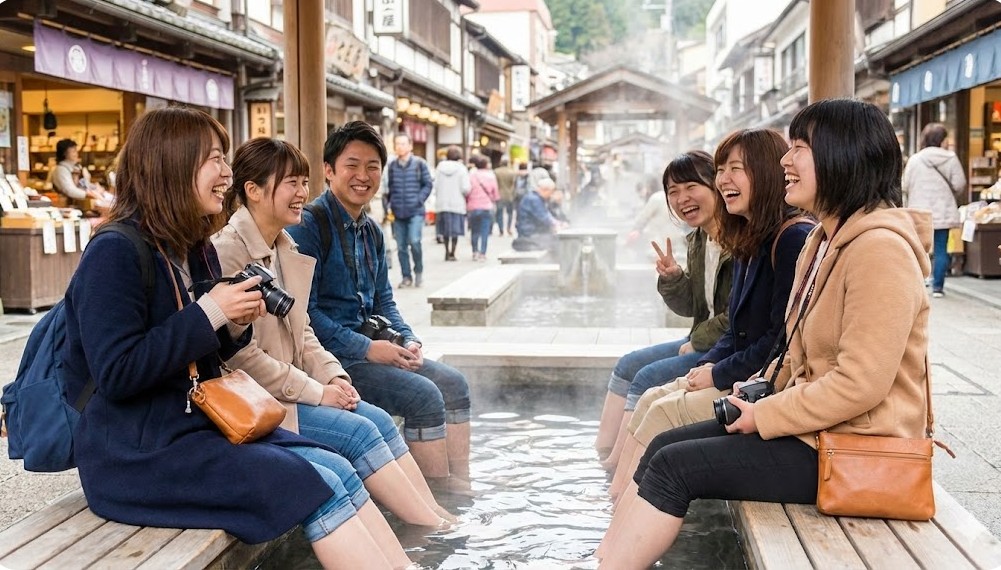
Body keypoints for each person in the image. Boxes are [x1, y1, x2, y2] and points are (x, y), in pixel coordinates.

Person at [62, 107, 410, 569]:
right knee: (314, 483)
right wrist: (212, 311)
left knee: (338, 469)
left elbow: (212, 351)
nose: (227, 172)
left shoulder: (193, 247)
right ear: (171, 163)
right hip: (135, 456)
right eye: (214, 159)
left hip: (199, 428)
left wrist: (236, 320)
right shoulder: (114, 251)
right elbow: (117, 374)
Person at [597, 98, 932, 569]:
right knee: (663, 446)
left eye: (799, 148)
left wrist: (767, 413)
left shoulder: (879, 251)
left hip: (854, 449)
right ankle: (602, 558)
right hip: (816, 431)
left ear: (843, 155)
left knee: (676, 466)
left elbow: (860, 384)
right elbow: (792, 352)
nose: (785, 161)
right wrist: (753, 391)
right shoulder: (825, 240)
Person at [212, 137, 454, 527]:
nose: (302, 193)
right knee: (359, 433)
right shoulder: (228, 251)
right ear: (253, 191)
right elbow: (241, 356)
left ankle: (436, 517)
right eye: (291, 182)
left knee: (370, 416)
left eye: (303, 182)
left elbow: (302, 328)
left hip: (292, 389)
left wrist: (334, 376)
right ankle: (431, 529)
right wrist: (317, 391)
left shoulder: (283, 246)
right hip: (256, 402)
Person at [607, 128, 814, 499]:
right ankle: (615, 492)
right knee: (652, 394)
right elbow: (735, 327)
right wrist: (711, 362)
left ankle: (619, 503)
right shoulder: (747, 237)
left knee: (657, 408)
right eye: (721, 170)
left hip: (765, 386)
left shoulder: (790, 238)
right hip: (735, 364)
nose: (724, 180)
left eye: (735, 169)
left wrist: (714, 366)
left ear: (766, 172)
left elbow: (778, 340)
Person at [287, 122, 471, 486]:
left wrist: (406, 338)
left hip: (371, 351)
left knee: (455, 383)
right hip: (330, 361)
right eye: (352, 165)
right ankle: (436, 498)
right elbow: (303, 316)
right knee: (424, 396)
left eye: (373, 167)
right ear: (328, 170)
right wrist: (369, 349)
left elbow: (384, 299)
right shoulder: (309, 226)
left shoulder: (371, 230)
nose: (363, 176)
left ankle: (461, 483)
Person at [595, 151, 733, 471]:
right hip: (702, 340)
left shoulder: (739, 241)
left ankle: (620, 467)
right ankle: (603, 450)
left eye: (690, 187)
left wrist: (697, 341)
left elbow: (737, 315)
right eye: (673, 192)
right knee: (627, 364)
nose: (681, 198)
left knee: (646, 378)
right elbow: (693, 307)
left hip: (726, 349)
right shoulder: (700, 239)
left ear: (716, 185)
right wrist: (672, 278)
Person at [902, 122, 966, 298]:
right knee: (940, 248)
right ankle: (937, 287)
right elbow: (960, 183)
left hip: (919, 211)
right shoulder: (950, 158)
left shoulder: (915, 159)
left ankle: (918, 282)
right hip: (942, 209)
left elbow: (905, 185)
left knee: (918, 248)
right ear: (941, 140)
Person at [384, 133, 432, 288]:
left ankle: (419, 271)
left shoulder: (419, 164)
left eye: (403, 144)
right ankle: (406, 276)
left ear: (410, 146)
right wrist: (389, 205)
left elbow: (428, 184)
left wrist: (419, 200)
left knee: (415, 241)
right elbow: (389, 188)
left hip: (416, 211)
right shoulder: (392, 166)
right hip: (398, 211)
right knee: (402, 247)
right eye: (397, 144)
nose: (400, 147)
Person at [433, 146, 470, 262]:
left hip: (442, 203)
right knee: (455, 231)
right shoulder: (462, 169)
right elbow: (466, 188)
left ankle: (446, 251)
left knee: (444, 229)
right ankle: (452, 253)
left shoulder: (439, 167)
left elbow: (435, 186)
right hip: (457, 204)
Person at [48, 138, 110, 204]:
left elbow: (83, 184)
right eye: (73, 151)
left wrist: (95, 187)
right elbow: (70, 190)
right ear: (64, 153)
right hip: (67, 205)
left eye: (76, 151)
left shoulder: (77, 166)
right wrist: (89, 194)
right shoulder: (61, 170)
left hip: (80, 203)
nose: (76, 154)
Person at [513, 178, 564, 253]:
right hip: (530, 234)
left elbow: (547, 215)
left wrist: (558, 223)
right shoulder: (534, 200)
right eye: (551, 192)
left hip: (532, 232)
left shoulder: (535, 198)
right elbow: (544, 217)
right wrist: (558, 225)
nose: (551, 195)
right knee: (557, 243)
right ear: (545, 190)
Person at [467, 155, 499, 261]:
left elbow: (467, 190)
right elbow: (495, 193)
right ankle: (483, 253)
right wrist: (494, 199)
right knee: (485, 231)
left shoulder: (471, 175)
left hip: (473, 206)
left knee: (474, 230)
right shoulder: (491, 176)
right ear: (486, 165)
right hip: (486, 206)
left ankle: (474, 252)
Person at [494, 156, 517, 236]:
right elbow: (513, 184)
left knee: (499, 213)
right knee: (510, 213)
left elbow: (495, 184)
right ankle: (509, 228)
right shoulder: (512, 172)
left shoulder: (496, 171)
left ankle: (501, 230)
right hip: (509, 195)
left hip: (499, 194)